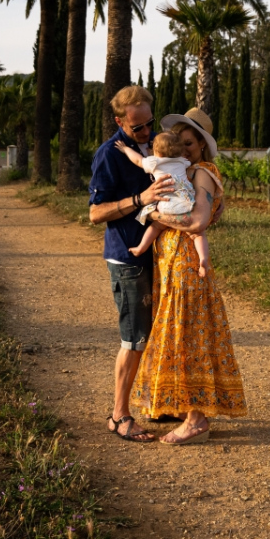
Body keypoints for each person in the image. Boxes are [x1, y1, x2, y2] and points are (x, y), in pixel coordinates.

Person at [131, 107, 247, 445]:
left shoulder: (202, 173)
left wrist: (155, 214)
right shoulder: (187, 172)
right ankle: (187, 410)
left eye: (188, 144)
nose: (182, 150)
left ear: (201, 146)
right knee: (181, 335)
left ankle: (196, 420)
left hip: (185, 266)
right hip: (174, 264)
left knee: (187, 338)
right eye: (178, 144)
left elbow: (196, 223)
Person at [89, 85, 174, 443]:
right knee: (135, 337)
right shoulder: (108, 155)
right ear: (119, 120)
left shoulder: (158, 145)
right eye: (136, 127)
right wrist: (140, 199)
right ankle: (119, 415)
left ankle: (159, 403)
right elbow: (96, 213)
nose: (144, 133)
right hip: (127, 257)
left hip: (161, 255)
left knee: (161, 333)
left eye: (148, 124)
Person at [114, 131, 212, 278]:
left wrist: (125, 149)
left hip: (165, 205)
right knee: (198, 234)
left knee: (155, 226)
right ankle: (203, 259)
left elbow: (139, 160)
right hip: (185, 202)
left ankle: (141, 247)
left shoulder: (153, 162)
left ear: (156, 152)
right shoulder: (183, 162)